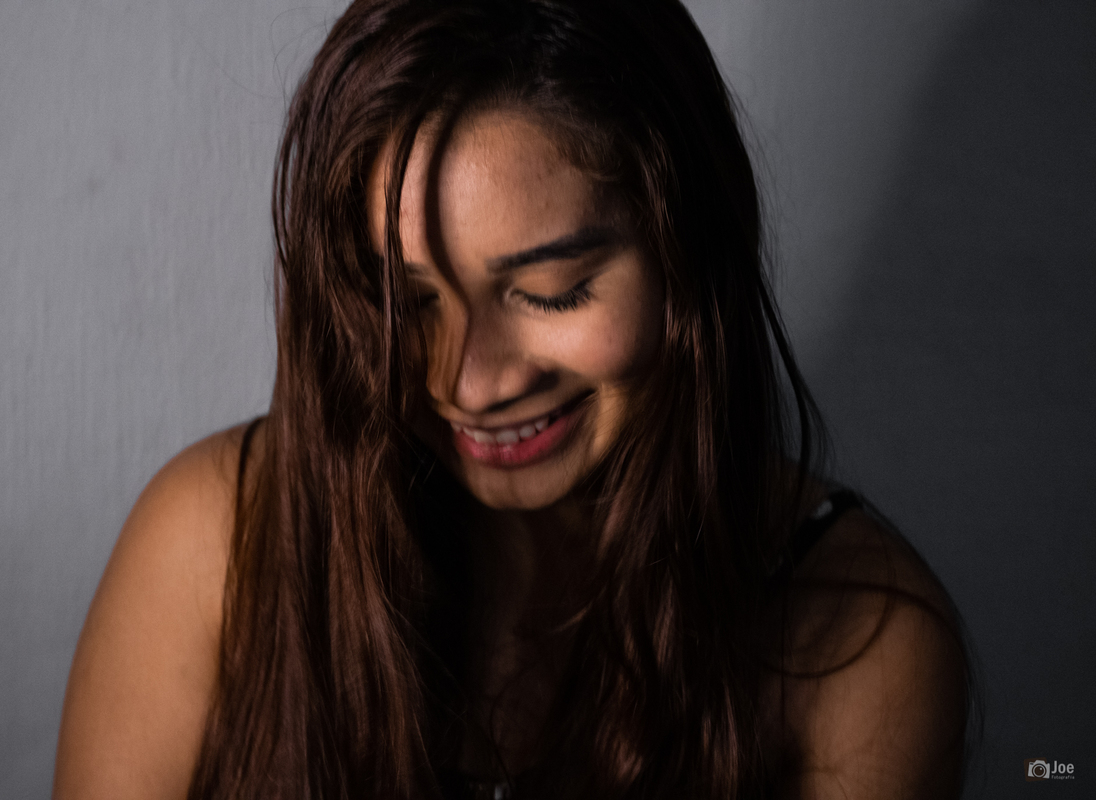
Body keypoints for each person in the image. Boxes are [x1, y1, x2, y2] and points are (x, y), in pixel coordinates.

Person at [53, 1, 972, 797]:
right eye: (408, 302)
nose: (469, 383)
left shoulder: (866, 641)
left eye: (551, 292)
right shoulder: (215, 539)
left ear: (688, 256)